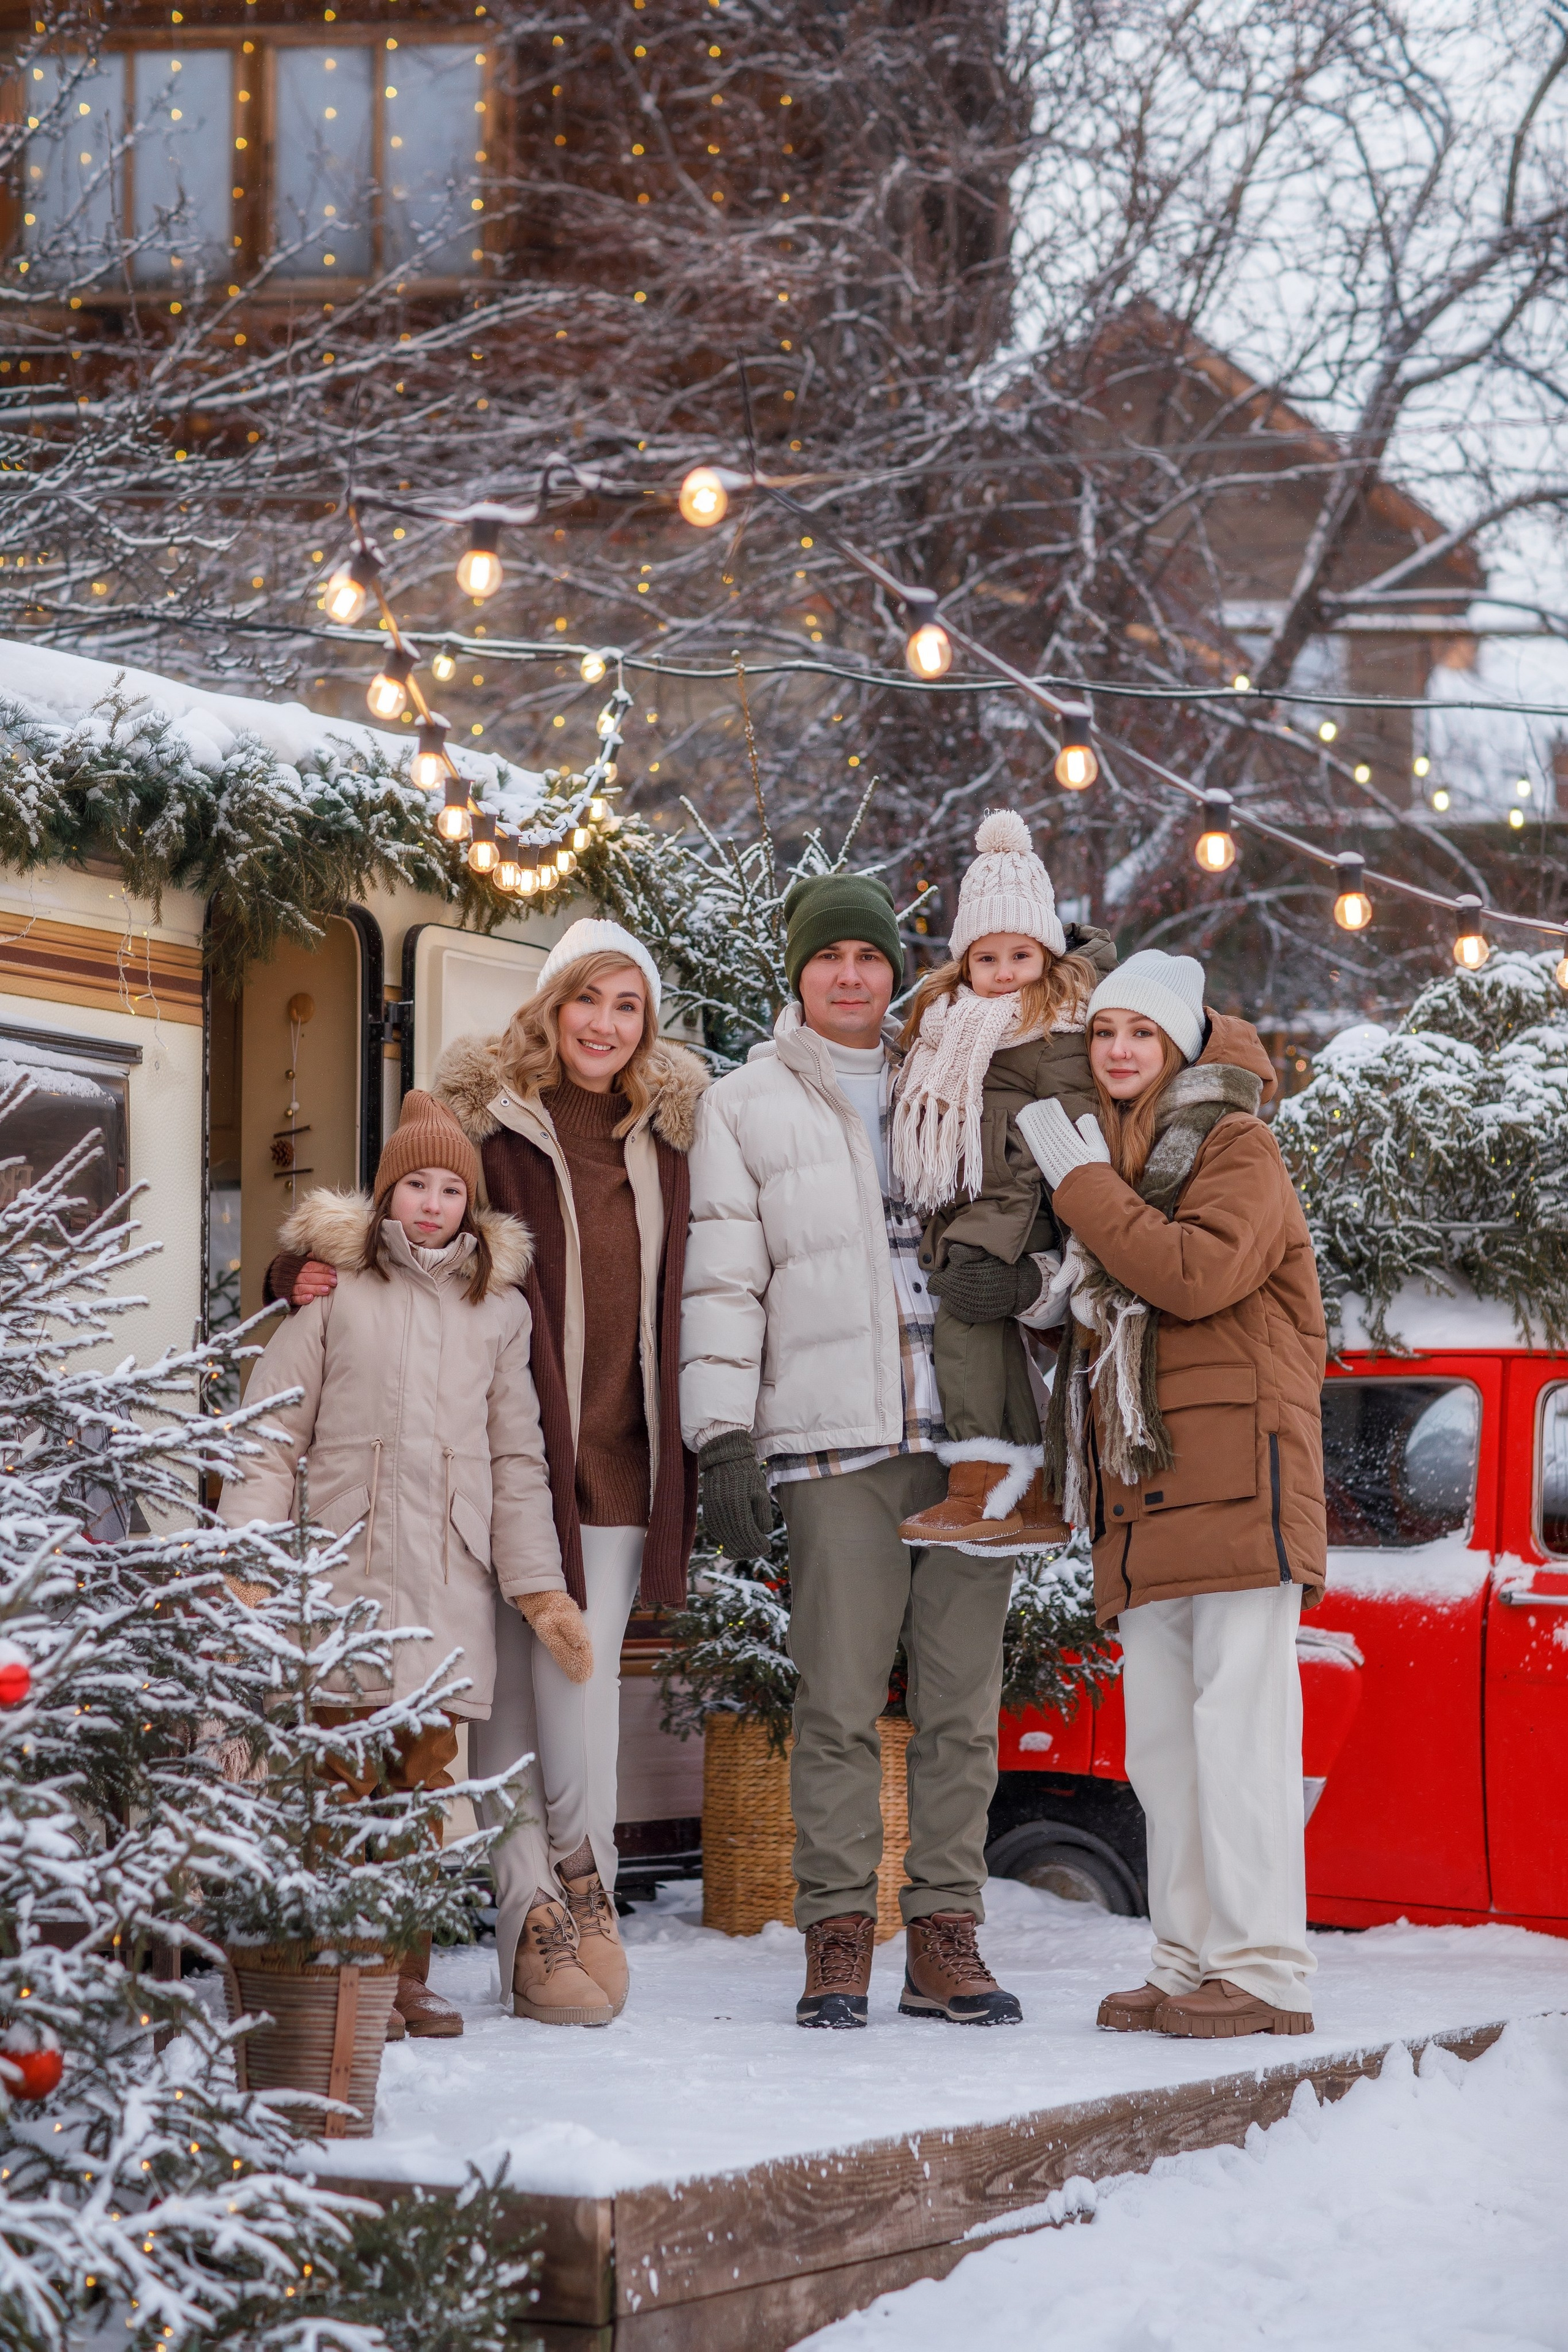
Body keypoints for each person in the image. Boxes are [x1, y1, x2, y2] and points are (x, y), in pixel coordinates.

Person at [272, 918, 705, 2028]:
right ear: (550, 1007)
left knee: (578, 1697)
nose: (604, 1025)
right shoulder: (485, 1108)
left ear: (648, 1023)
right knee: (498, 1708)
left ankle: (585, 1876)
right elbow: (391, 1221)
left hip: (618, 1461)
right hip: (502, 1461)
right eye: (585, 1000)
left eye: (627, 1006)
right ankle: (531, 1924)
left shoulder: (677, 1135)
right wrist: (293, 1271)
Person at [681, 872, 1022, 2032]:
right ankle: (836, 1935)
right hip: (837, 1444)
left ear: (895, 971)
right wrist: (723, 1436)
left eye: (870, 957)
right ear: (800, 972)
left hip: (973, 1437)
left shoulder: (958, 1077)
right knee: (836, 1702)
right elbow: (724, 1279)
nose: (850, 975)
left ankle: (944, 1935)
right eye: (829, 957)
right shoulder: (744, 1105)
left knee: (962, 1704)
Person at [222, 1087, 582, 2041]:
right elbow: (268, 1438)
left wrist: (539, 1587)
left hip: (447, 1586)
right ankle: (341, 1971)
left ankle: (402, 1974)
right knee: (339, 1784)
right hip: (343, 1575)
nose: (433, 1204)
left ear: (471, 1205)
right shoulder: (335, 1296)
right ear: (387, 1197)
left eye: (450, 1190)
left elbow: (517, 1460)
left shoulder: (497, 1313)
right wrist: (247, 1558)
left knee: (421, 1789)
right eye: (416, 1186)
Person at [1018, 948, 1327, 2038]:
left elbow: (1196, 1274)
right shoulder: (1116, 1155)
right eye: (1104, 1032)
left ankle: (1267, 1971)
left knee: (1241, 1734)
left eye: (1140, 1032)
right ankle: (1190, 1959)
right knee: (1162, 1751)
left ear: (1183, 1042)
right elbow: (1116, 1293)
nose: (1117, 1050)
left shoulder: (1238, 1143)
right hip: (1144, 1488)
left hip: (1239, 1476)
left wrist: (1080, 1191)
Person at [889, 810, 1114, 1549]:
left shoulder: (1060, 1029)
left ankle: (980, 1481)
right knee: (984, 1335)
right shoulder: (945, 1028)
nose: (1005, 971)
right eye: (987, 958)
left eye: (1021, 954)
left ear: (1046, 954)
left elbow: (1081, 1130)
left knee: (963, 1323)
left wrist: (1067, 1239)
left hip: (1022, 1209)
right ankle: (1034, 1493)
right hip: (973, 1207)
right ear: (964, 963)